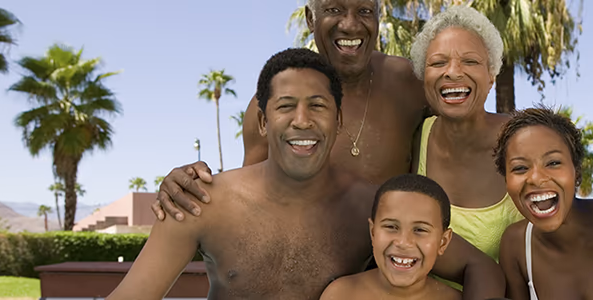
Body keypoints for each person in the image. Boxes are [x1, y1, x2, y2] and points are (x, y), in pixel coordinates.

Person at [106, 48, 502, 299]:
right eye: (285, 107)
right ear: (262, 121)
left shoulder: (367, 207)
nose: (302, 121)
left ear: (338, 119)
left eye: (317, 106)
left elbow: (479, 266)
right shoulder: (203, 201)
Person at [149, 0, 428, 220]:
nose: (351, 25)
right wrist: (188, 186)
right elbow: (250, 202)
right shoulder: (272, 108)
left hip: (395, 271)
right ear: (310, 19)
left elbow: (462, 142)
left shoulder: (409, 83)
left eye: (365, 11)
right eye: (334, 10)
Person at [408, 5, 523, 265]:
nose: (453, 72)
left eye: (470, 61)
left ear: (491, 76)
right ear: (423, 75)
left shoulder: (522, 141)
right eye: (438, 62)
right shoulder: (416, 138)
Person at [496, 106, 593, 299]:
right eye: (520, 168)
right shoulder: (516, 245)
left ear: (577, 172)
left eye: (553, 163)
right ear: (506, 181)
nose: (536, 178)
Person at [319, 174, 461, 300]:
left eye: (420, 230)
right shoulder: (341, 294)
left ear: (443, 242)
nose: (403, 242)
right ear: (373, 232)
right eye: (391, 227)